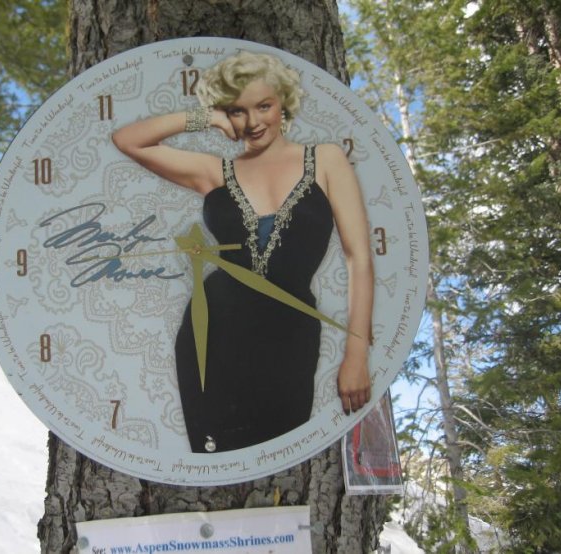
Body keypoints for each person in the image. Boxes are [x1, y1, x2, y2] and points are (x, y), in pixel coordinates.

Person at [112, 51, 373, 453]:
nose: (253, 122)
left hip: (291, 336)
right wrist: (204, 118)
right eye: (237, 111)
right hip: (214, 336)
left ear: (283, 102)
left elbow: (359, 259)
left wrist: (356, 354)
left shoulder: (325, 160)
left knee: (280, 455)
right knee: (217, 457)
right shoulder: (215, 171)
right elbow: (128, 140)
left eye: (263, 106)